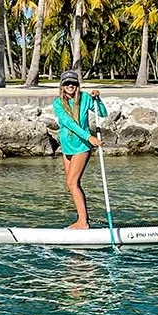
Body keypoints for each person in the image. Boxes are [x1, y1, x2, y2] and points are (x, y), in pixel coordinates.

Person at [52, 70, 107, 229]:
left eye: (74, 83)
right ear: (62, 86)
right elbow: (68, 123)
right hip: (67, 147)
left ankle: (83, 222)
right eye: (67, 83)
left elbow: (102, 113)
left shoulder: (85, 99)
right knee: (71, 184)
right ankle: (82, 218)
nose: (70, 86)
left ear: (77, 85)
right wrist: (88, 136)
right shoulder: (57, 103)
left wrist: (98, 100)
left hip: (81, 146)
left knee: (72, 182)